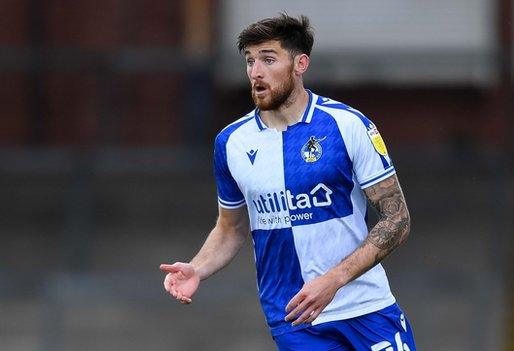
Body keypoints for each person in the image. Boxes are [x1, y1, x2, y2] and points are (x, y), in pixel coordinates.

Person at [160, 13, 416, 350]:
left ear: (300, 64)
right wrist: (197, 268)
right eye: (250, 61)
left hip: (366, 309)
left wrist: (333, 280)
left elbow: (397, 218)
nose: (256, 72)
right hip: (295, 321)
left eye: (268, 59)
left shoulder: (347, 125)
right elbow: (230, 229)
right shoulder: (231, 142)